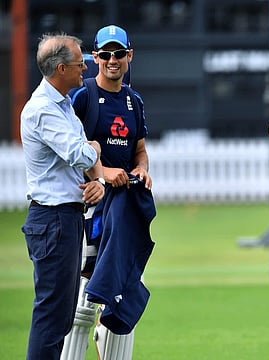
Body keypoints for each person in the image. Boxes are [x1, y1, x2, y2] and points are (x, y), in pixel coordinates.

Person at [61, 24, 154, 360]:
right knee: (82, 302)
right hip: (89, 207)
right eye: (105, 54)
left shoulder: (134, 101)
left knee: (122, 292)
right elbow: (69, 147)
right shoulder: (82, 96)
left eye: (119, 53)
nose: (112, 60)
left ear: (129, 55)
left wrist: (141, 169)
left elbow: (139, 150)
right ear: (95, 57)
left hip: (126, 209)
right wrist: (101, 174)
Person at [20, 33, 105, 360]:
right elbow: (81, 154)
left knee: (61, 314)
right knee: (52, 316)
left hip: (63, 218)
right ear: (59, 69)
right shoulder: (44, 110)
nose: (85, 66)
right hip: (53, 219)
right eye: (78, 62)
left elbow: (85, 164)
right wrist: (94, 150)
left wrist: (96, 176)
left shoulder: (62, 105)